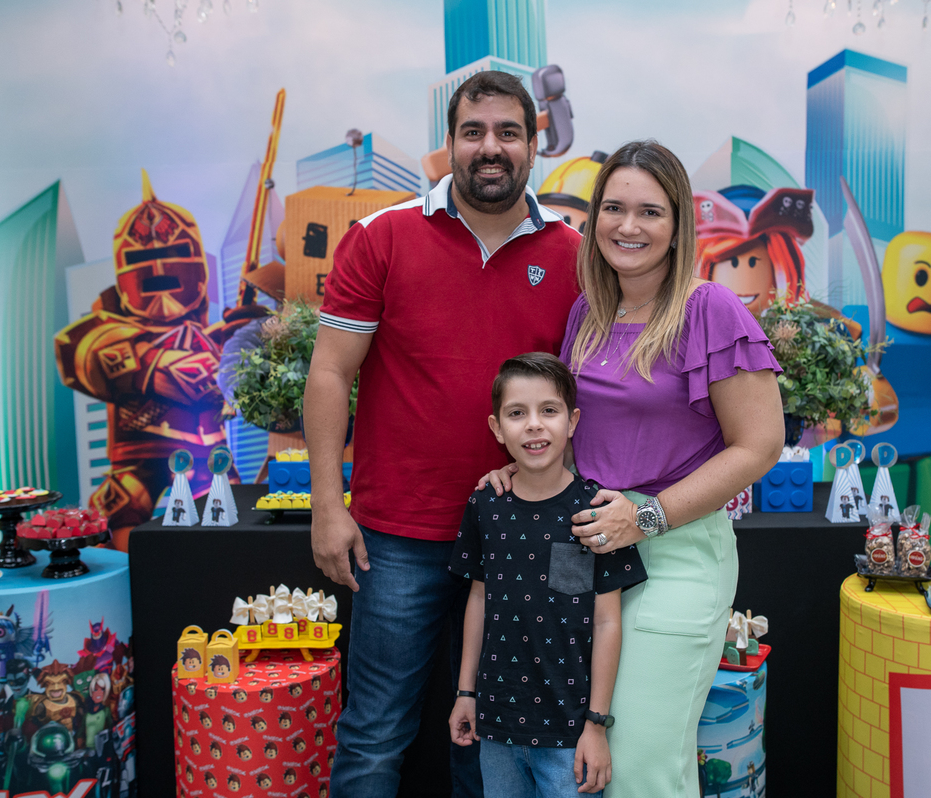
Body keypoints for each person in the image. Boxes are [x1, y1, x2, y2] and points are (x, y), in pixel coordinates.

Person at [304, 70, 582, 798]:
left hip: (525, 535)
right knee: (374, 735)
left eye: (509, 132)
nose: (491, 147)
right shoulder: (381, 236)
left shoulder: (575, 254)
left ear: (534, 146)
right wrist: (327, 505)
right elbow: (330, 372)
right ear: (450, 143)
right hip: (398, 534)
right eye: (473, 131)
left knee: (495, 740)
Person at [483, 141, 784, 797]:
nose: (629, 226)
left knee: (641, 766)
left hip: (675, 554)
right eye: (614, 208)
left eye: (650, 211)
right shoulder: (586, 313)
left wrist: (646, 518)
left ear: (678, 225)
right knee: (583, 764)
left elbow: (760, 445)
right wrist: (522, 476)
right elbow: (576, 433)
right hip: (587, 552)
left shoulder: (710, 310)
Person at [448, 353, 646, 797]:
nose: (534, 425)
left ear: (572, 421)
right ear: (497, 428)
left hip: (570, 734)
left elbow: (607, 621)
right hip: (496, 726)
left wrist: (597, 724)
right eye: (517, 413)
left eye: (549, 410)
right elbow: (478, 599)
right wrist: (466, 693)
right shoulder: (484, 505)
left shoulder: (597, 511)